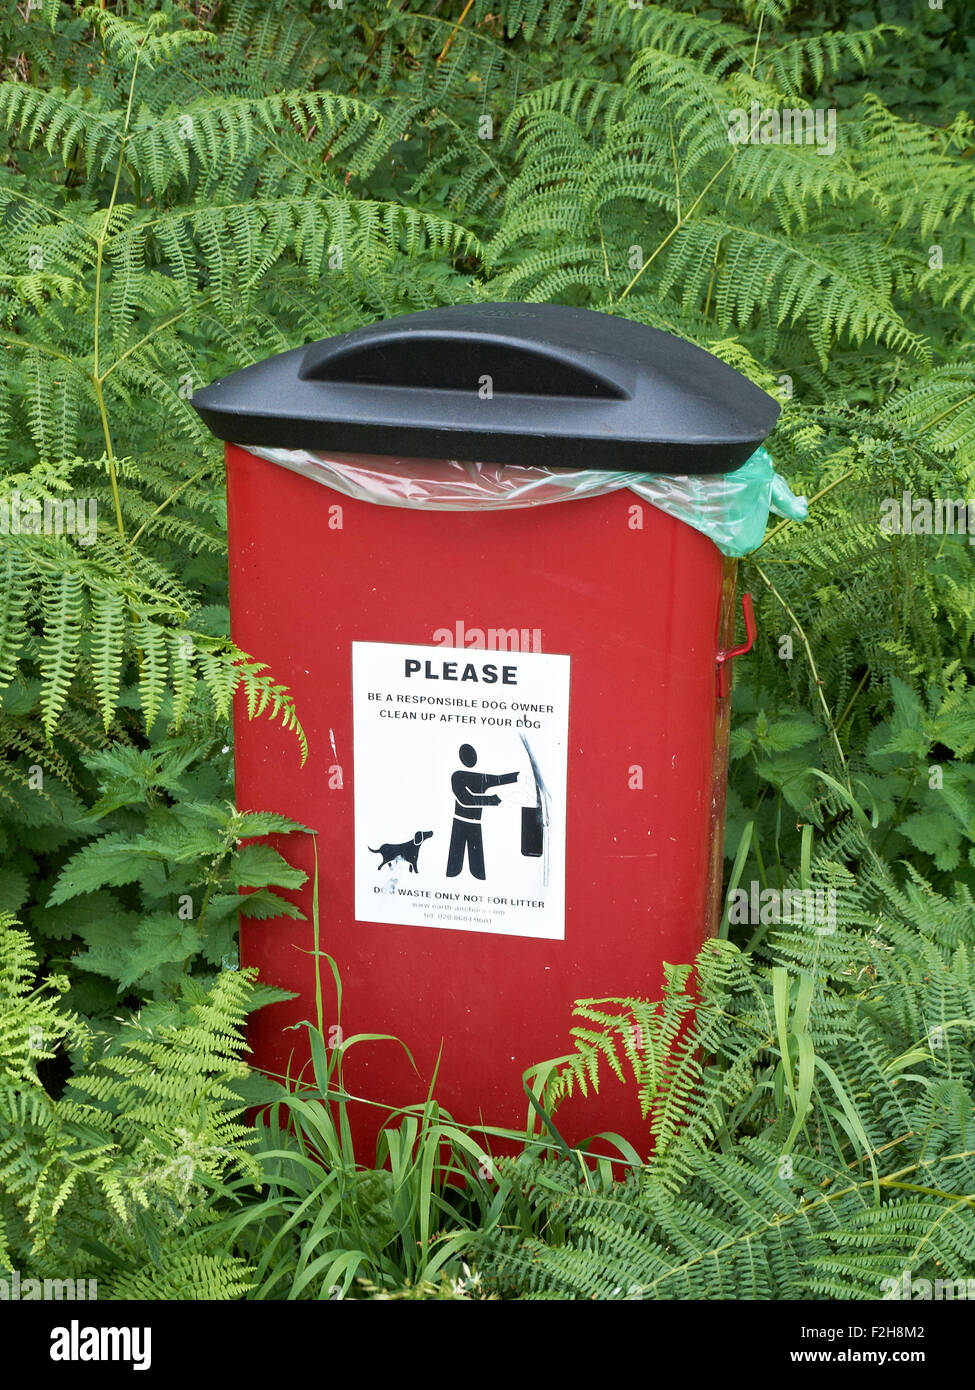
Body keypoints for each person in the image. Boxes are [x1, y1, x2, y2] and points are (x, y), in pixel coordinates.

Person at [445, 744, 518, 880]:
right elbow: (465, 799)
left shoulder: (479, 777)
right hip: (460, 822)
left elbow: (499, 779)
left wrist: (518, 776)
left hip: (475, 824)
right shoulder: (457, 776)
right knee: (454, 867)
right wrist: (492, 800)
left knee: (477, 867)